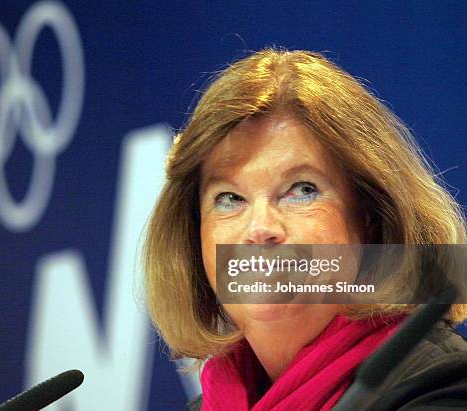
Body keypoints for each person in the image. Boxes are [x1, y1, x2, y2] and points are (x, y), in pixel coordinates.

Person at [143, 49, 467, 410]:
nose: (261, 229)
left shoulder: (444, 384)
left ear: (372, 219)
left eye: (302, 190)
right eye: (230, 198)